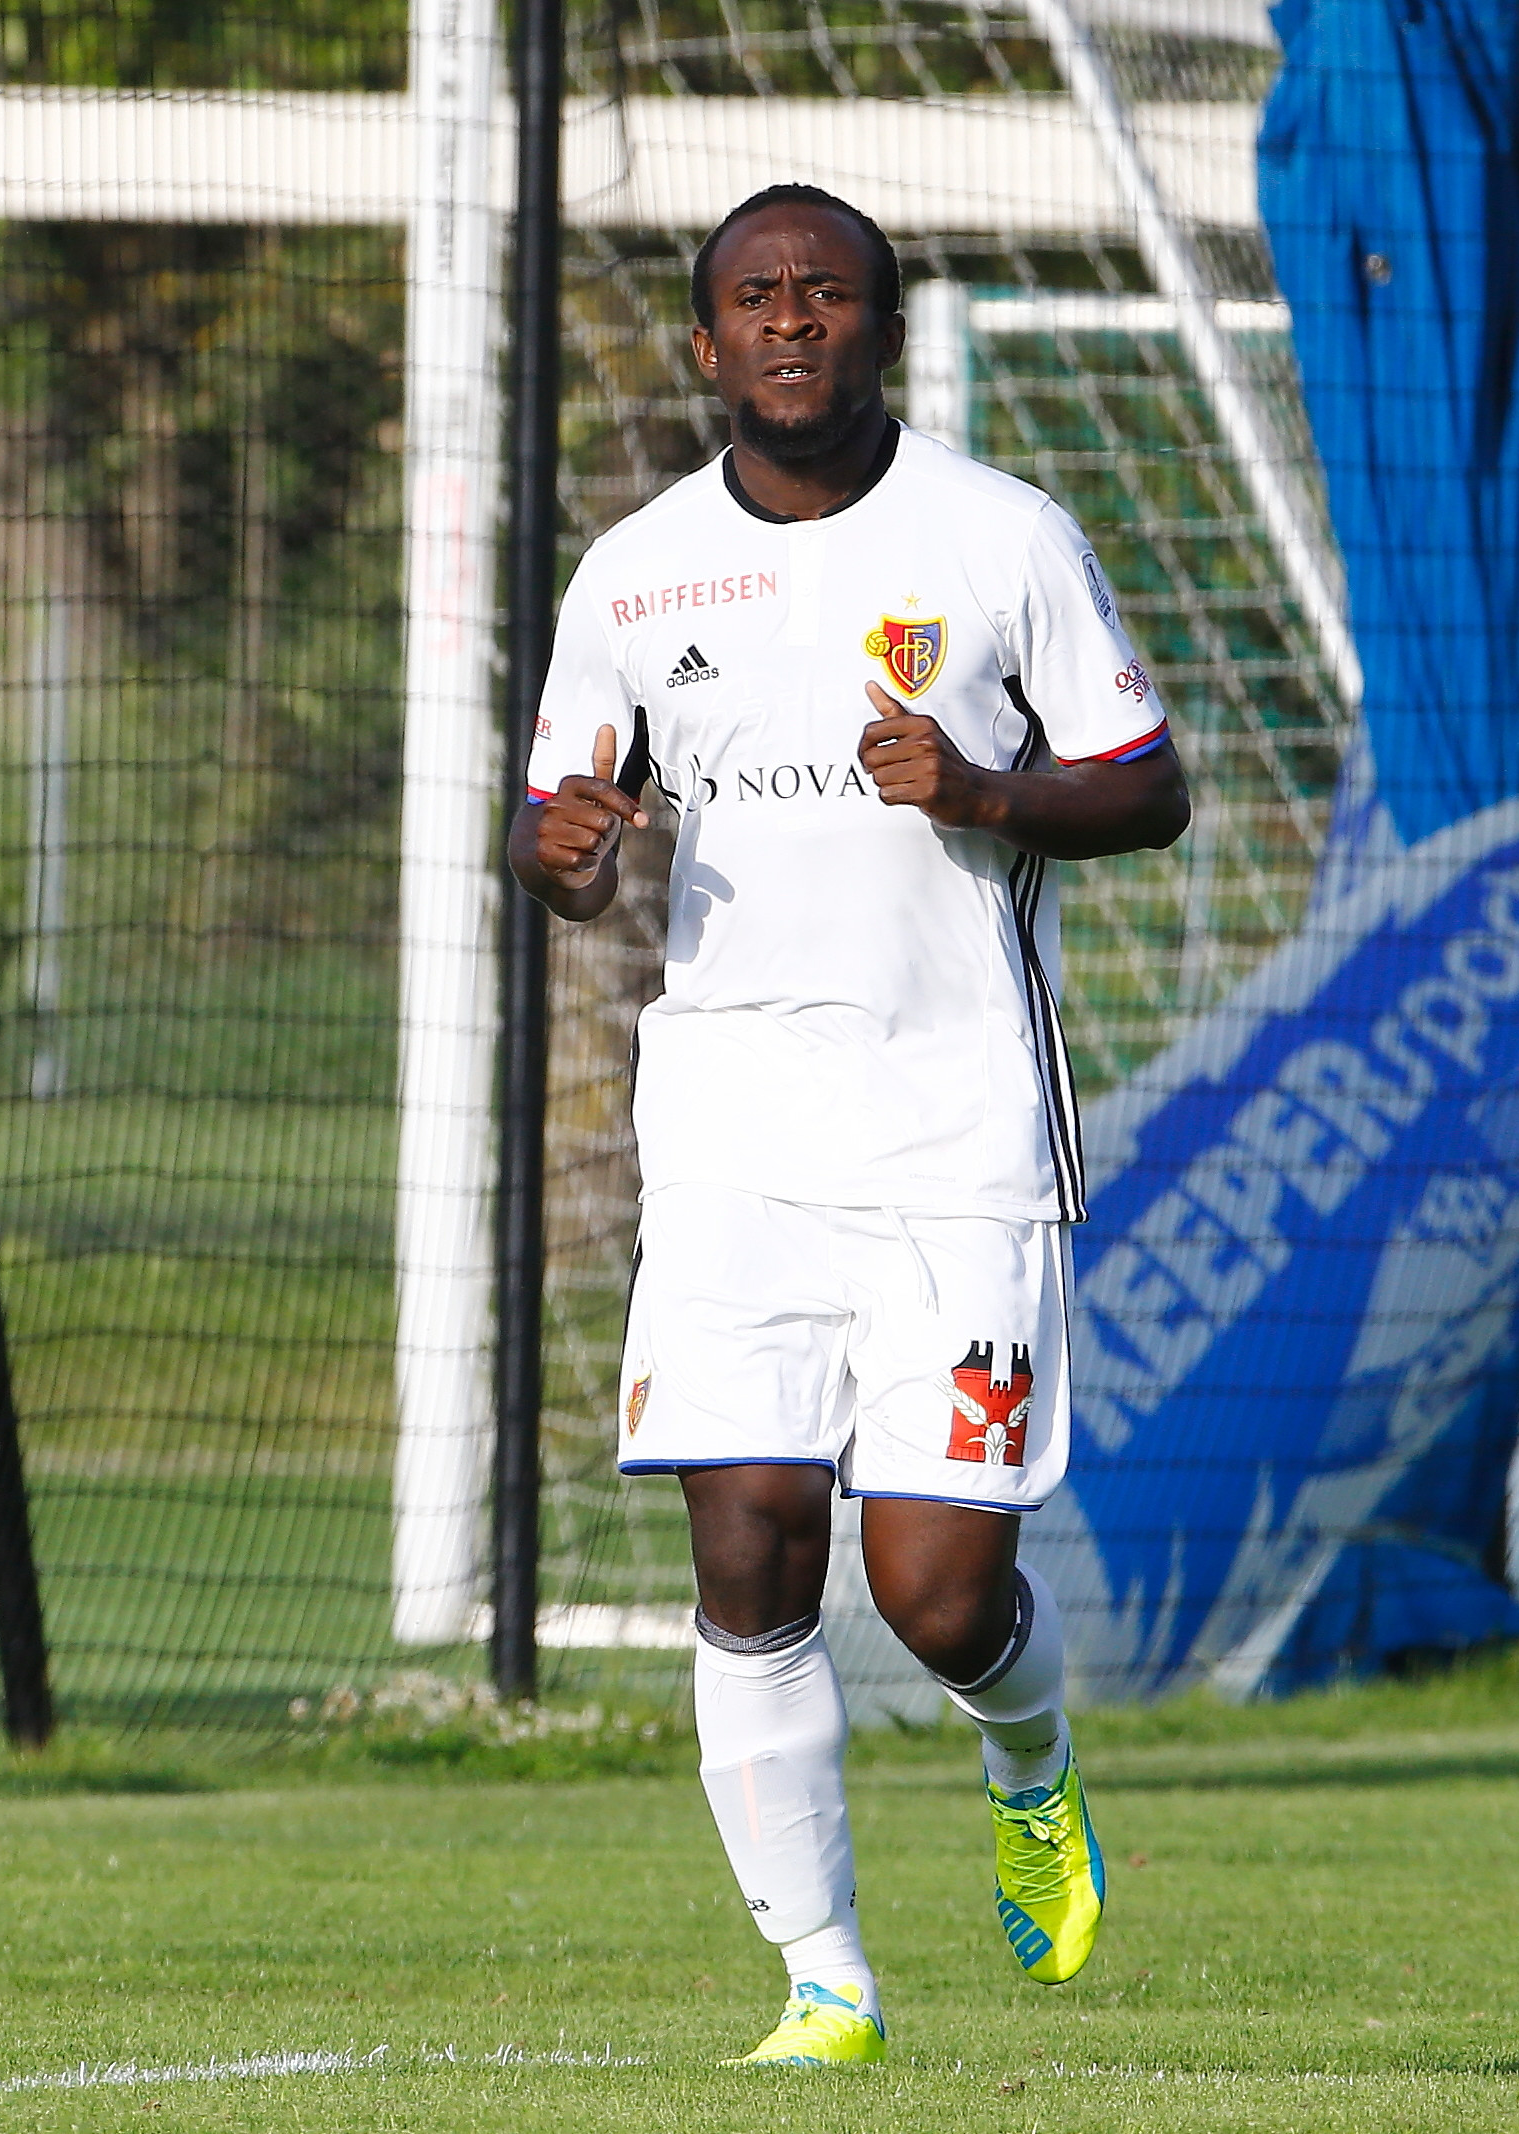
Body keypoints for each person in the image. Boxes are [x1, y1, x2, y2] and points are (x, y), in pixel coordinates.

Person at [509, 183, 1188, 2070]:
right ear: (708, 343)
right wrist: (558, 860)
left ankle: (1030, 1755)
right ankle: (824, 1984)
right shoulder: (634, 574)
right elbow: (559, 818)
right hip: (730, 1134)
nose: (791, 322)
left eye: (827, 294)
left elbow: (1145, 791)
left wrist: (981, 785)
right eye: (755, 297)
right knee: (747, 1553)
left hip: (956, 1131)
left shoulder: (996, 537)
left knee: (939, 1586)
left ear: (879, 330)